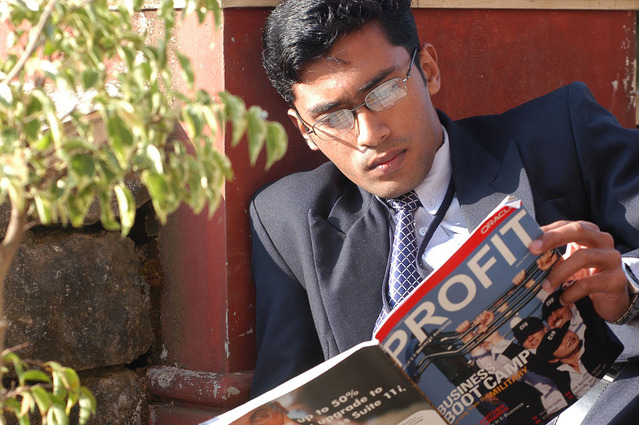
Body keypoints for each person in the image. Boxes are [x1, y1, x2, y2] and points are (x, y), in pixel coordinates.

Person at [250, 0, 639, 403]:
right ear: (305, 131)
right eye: (333, 119)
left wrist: (628, 295)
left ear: (429, 70)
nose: (369, 134)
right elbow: (283, 400)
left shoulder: (562, 133)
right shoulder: (287, 221)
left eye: (383, 92)